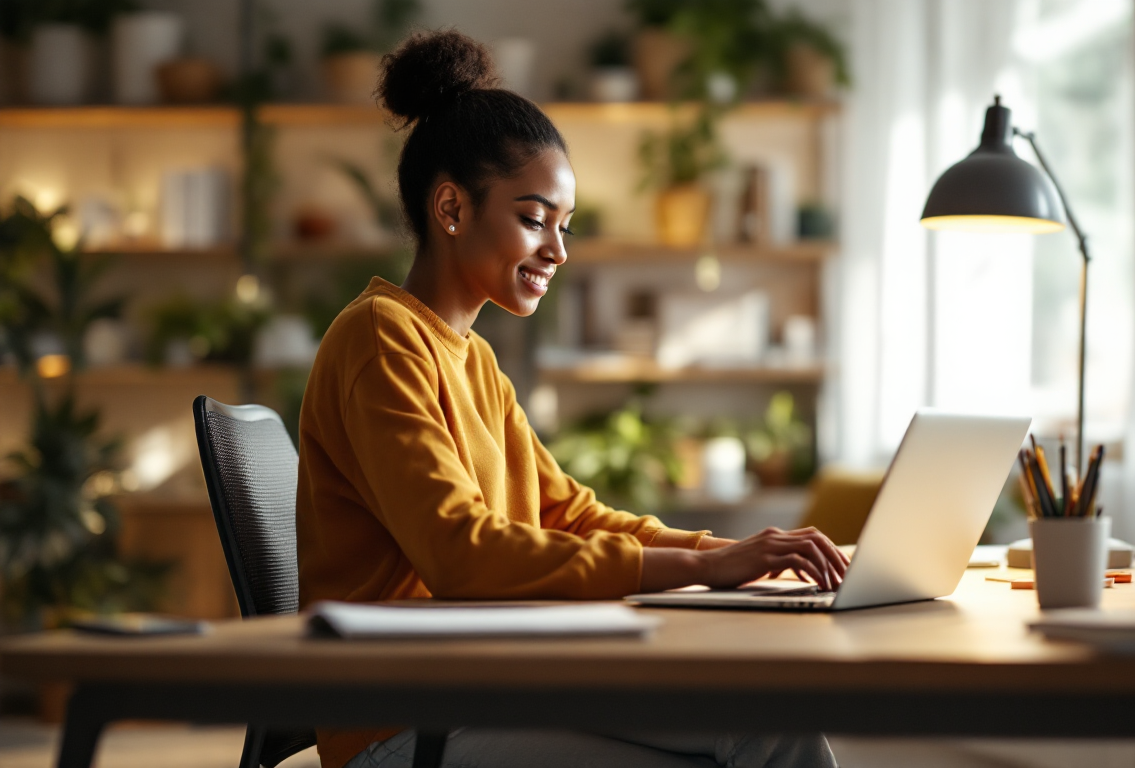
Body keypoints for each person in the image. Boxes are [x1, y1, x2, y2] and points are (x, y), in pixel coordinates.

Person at [296, 28, 847, 768]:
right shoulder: (379, 338)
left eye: (565, 226)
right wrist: (702, 570)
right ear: (452, 209)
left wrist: (732, 556)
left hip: (486, 689)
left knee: (772, 722)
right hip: (402, 725)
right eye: (533, 219)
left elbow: (568, 514)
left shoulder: (476, 362)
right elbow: (461, 553)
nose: (558, 250)